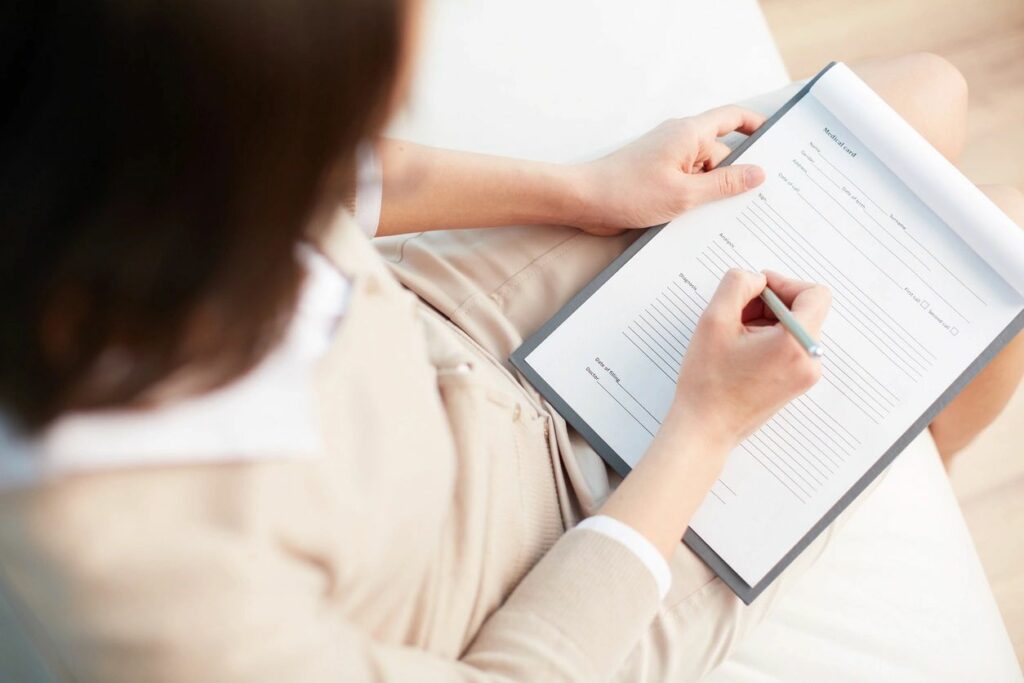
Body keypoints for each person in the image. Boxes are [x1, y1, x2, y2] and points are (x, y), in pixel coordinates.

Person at [1, 1, 1022, 681]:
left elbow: (340, 176)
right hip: (526, 582)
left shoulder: (92, 135)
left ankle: (867, 453)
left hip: (445, 335)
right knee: (986, 310)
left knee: (922, 97)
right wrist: (706, 433)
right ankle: (878, 470)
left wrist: (587, 190)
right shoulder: (148, 587)